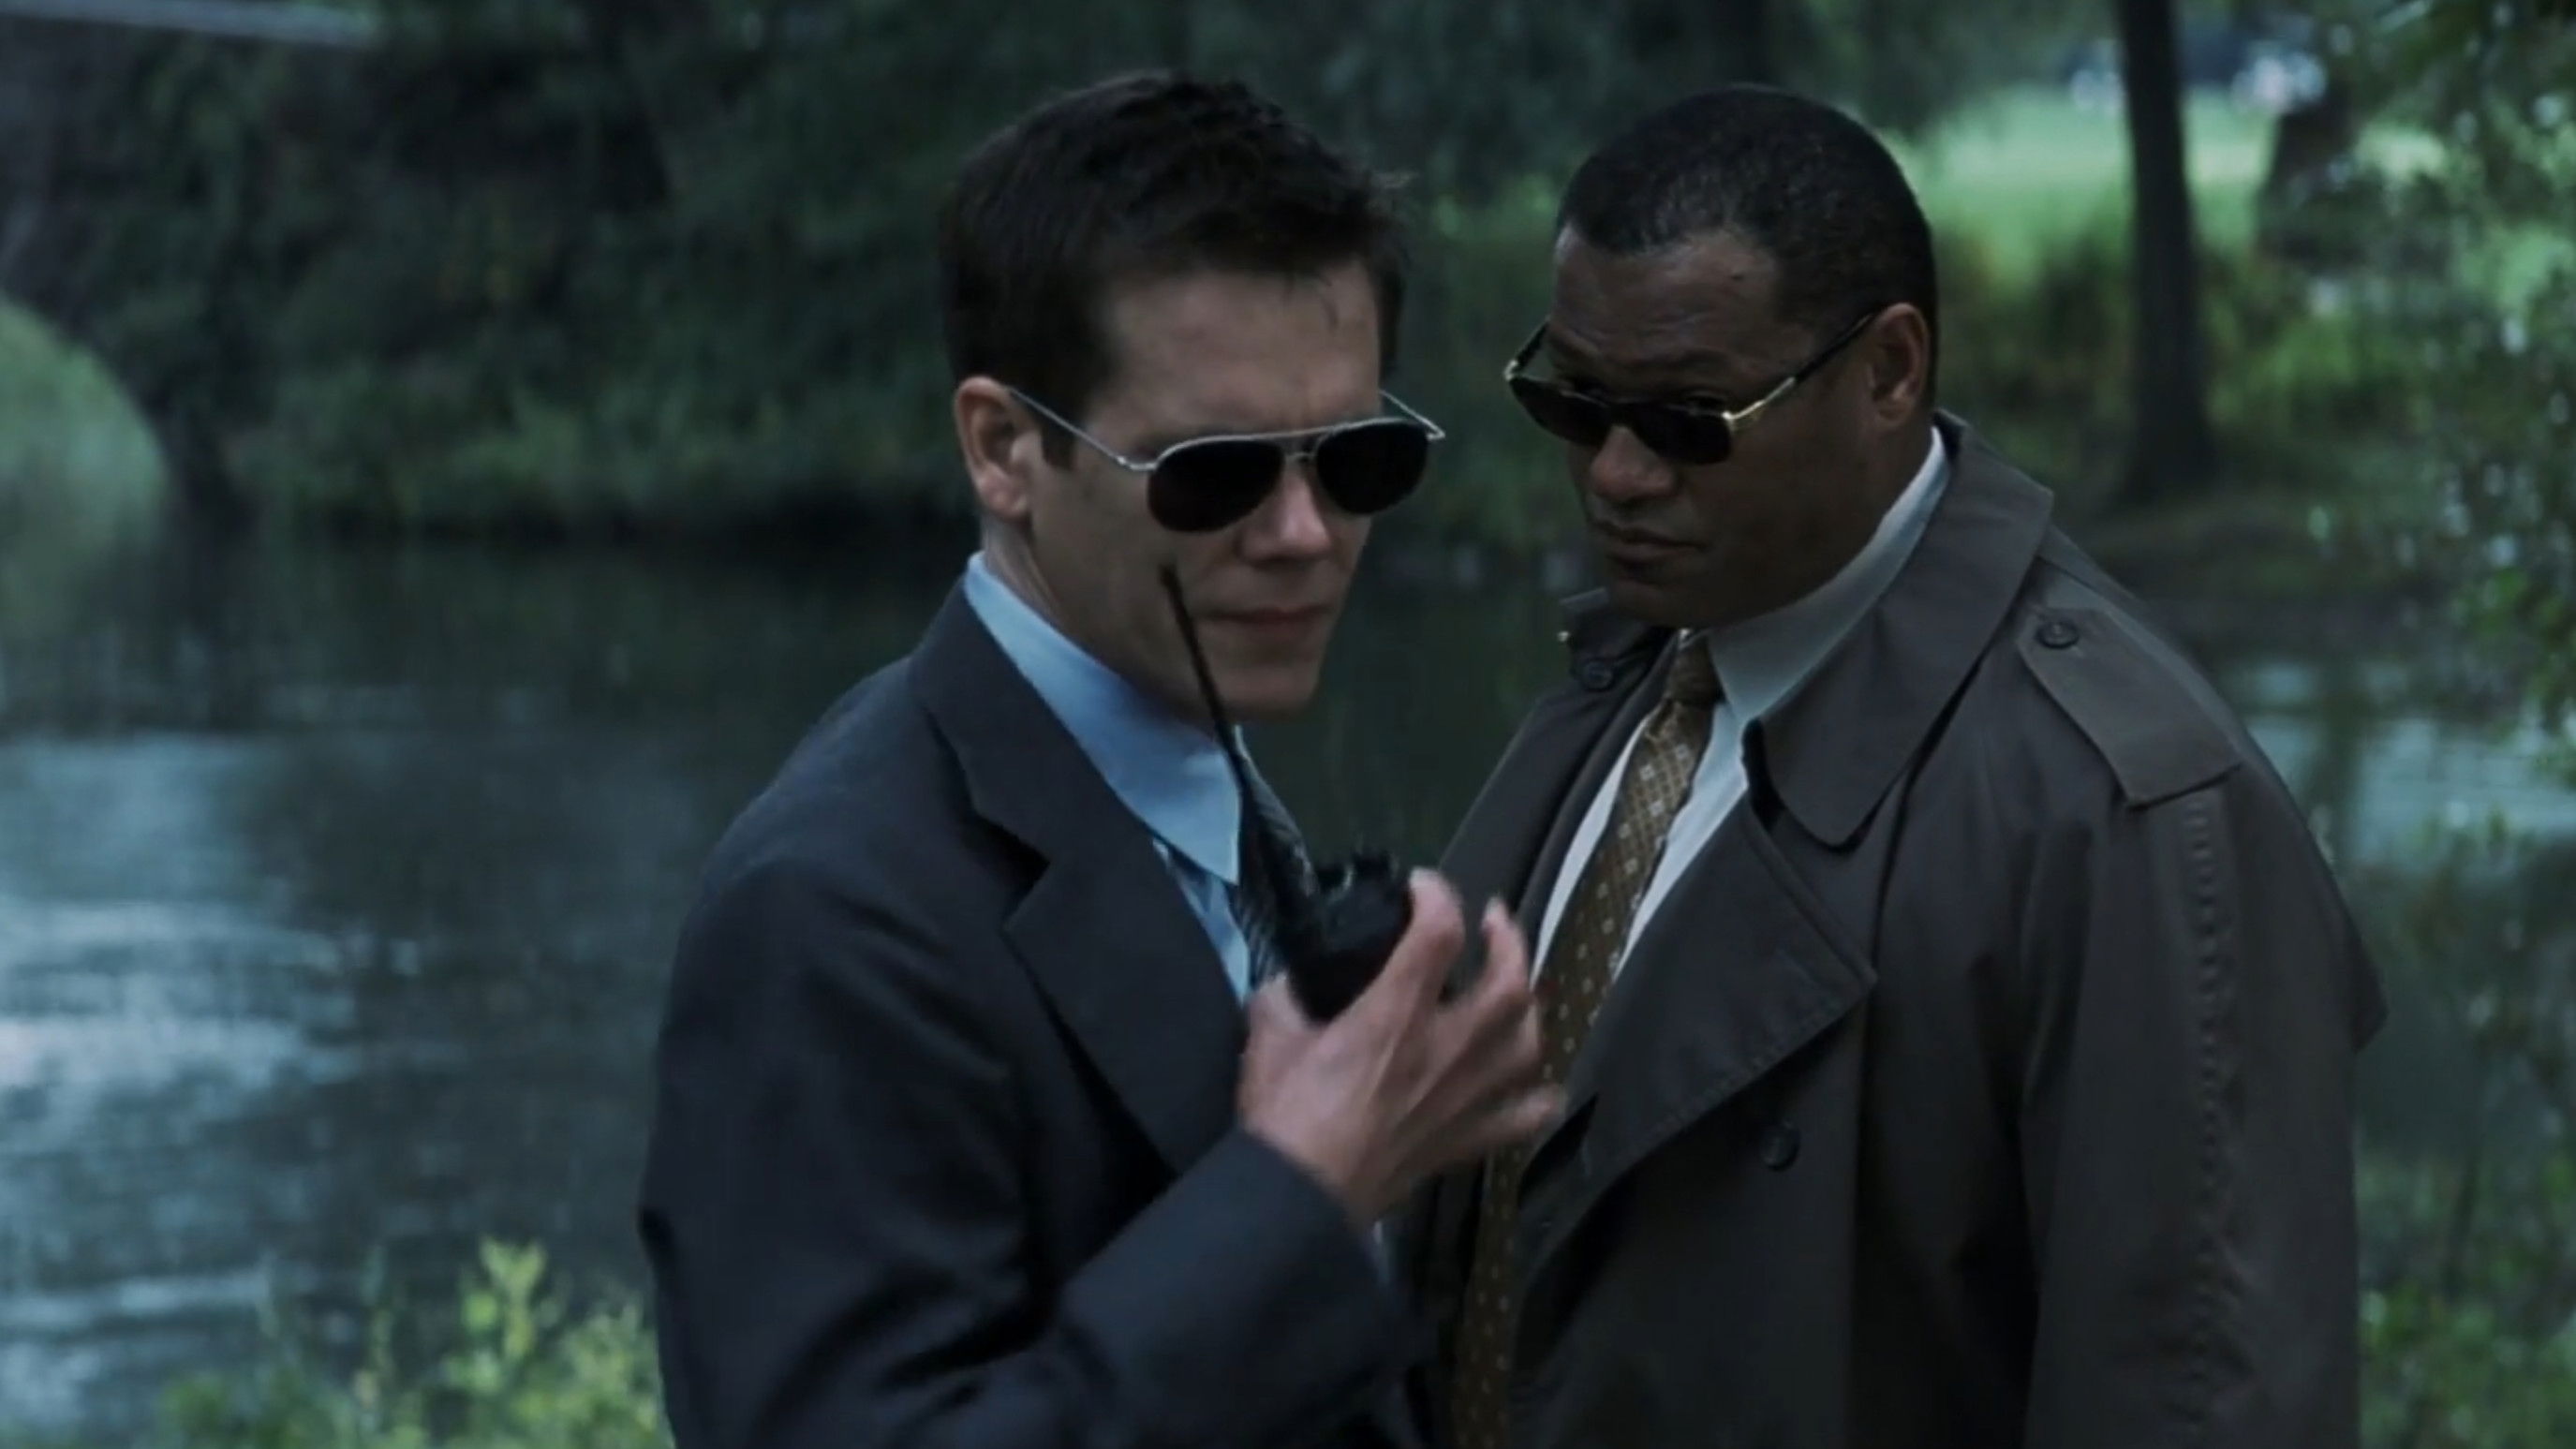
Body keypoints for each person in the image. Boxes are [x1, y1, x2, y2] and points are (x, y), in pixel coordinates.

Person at [1396, 85, 2388, 1449]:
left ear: (1888, 372)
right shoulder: (1650, 661)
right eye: (1571, 402)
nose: (1615, 474)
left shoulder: (2127, 812)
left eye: (1688, 418)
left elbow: (2198, 1405)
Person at [637, 72, 1557, 1449]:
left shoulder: (1187, 757)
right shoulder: (831, 915)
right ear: (1003, 449)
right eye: (1212, 473)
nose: (1304, 536)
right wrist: (1300, 1191)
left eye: (1357, 461)